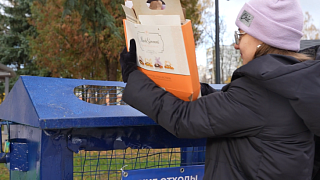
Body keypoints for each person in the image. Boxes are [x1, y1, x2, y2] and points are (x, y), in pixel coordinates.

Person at [120, 0, 320, 179]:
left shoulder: (259, 92)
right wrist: (200, 91)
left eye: (241, 34)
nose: (236, 44)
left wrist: (133, 77)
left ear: (262, 40)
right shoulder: (289, 84)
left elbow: (184, 118)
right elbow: (235, 107)